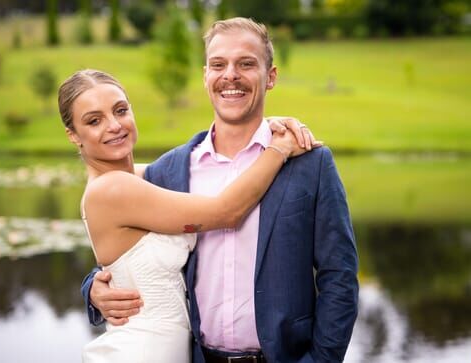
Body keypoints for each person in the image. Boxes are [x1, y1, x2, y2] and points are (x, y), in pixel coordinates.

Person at [82, 17, 358, 363]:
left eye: (246, 63)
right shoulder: (168, 170)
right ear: (205, 76)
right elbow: (126, 245)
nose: (230, 75)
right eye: (218, 64)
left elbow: (340, 277)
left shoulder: (311, 163)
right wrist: (93, 287)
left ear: (270, 77)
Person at [58, 69, 316, 362]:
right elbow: (226, 211)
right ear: (73, 135)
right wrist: (277, 149)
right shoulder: (112, 190)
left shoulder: (142, 177)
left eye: (121, 110)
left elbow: (204, 166)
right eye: (94, 121)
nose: (114, 125)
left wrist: (263, 129)